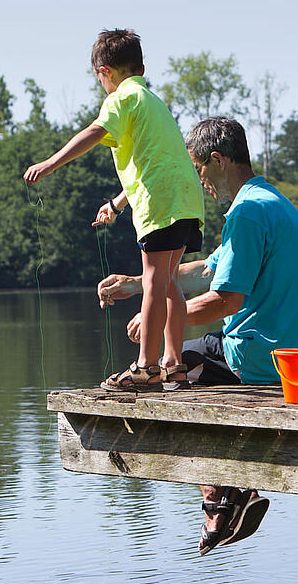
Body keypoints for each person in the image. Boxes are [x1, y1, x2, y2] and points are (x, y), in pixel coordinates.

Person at [97, 116, 298, 555]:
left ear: (218, 161)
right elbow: (207, 269)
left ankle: (220, 501)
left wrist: (160, 320)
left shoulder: (247, 212)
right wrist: (138, 284)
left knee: (169, 374)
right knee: (183, 361)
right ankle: (232, 491)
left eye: (199, 169)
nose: (199, 181)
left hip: (262, 357)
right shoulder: (269, 202)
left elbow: (225, 300)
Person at [24, 29, 204, 392]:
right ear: (141, 67)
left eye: (99, 79)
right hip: (186, 200)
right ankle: (173, 364)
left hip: (160, 203)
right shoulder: (152, 101)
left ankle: (146, 367)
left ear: (103, 71)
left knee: (153, 281)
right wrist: (116, 205)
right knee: (168, 281)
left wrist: (50, 163)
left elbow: (95, 132)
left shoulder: (121, 97)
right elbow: (155, 165)